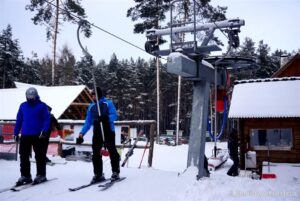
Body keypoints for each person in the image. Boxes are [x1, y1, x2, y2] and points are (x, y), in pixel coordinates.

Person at [76, 87, 120, 184]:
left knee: (112, 151)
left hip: (108, 130)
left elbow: (114, 115)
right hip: (97, 132)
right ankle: (98, 174)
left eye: (94, 95)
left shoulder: (107, 103)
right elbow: (88, 122)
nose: (92, 97)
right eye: (92, 95)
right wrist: (81, 133)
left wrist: (106, 117)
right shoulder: (92, 106)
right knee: (96, 153)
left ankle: (115, 172)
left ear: (98, 95)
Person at [13, 87, 51, 185]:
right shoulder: (23, 106)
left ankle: (41, 174)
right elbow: (19, 120)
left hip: (38, 135)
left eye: (32, 97)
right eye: (28, 97)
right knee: (23, 155)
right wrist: (16, 133)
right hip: (25, 135)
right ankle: (25, 175)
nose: (30, 99)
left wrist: (44, 130)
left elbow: (46, 119)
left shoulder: (42, 106)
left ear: (36, 96)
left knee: (39, 155)